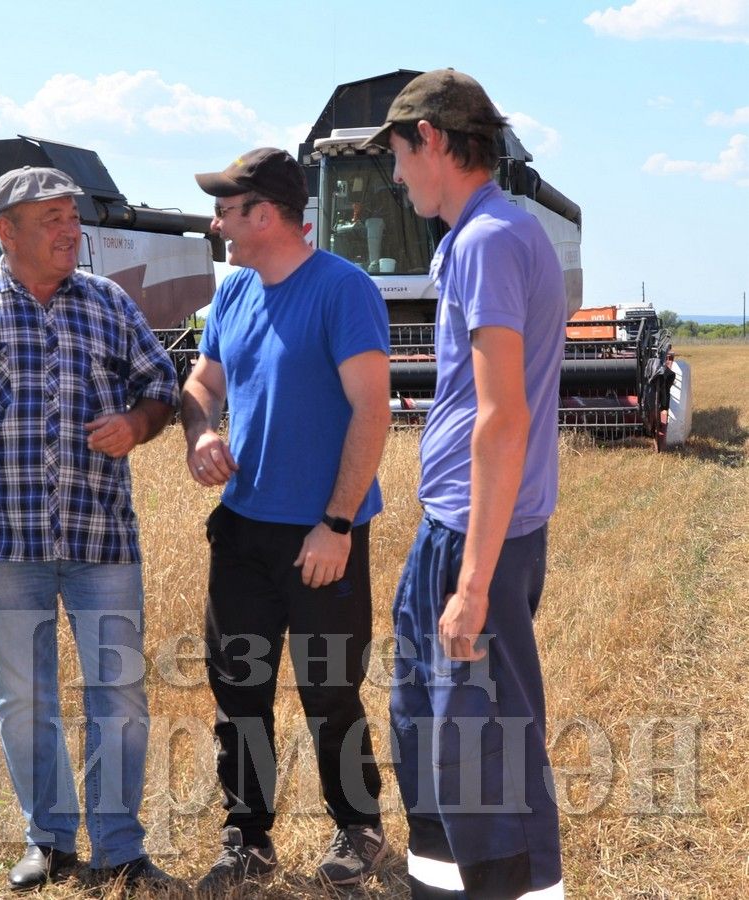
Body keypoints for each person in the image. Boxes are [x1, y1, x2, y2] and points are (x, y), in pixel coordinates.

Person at [0, 166, 179, 892]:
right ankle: (49, 841)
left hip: (101, 542)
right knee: (24, 698)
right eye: (52, 217)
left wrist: (136, 424)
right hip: (2, 545)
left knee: (117, 693)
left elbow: (161, 389)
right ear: (7, 230)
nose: (70, 230)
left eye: (72, 216)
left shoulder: (109, 304)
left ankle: (119, 847)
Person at [362, 69, 567, 899]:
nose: (398, 174)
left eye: (400, 155)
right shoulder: (478, 236)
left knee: (487, 752)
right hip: (451, 529)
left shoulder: (488, 240)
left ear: (435, 141)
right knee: (431, 739)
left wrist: (474, 582)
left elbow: (501, 417)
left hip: (476, 541)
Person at [183, 148, 392, 892]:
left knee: (328, 690)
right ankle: (248, 840)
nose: (216, 224)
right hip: (241, 530)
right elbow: (202, 382)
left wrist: (335, 525)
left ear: (263, 215)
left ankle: (359, 829)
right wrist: (199, 430)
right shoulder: (234, 293)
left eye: (226, 210)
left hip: (319, 535)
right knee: (238, 689)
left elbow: (373, 412)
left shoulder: (342, 290)